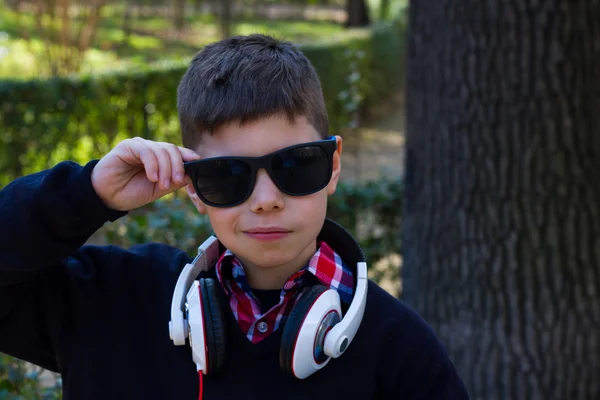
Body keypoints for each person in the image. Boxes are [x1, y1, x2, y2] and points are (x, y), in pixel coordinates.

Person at [0, 34, 469, 399]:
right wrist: (87, 193)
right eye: (227, 176)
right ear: (194, 188)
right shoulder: (110, 304)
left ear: (333, 165)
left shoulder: (400, 350)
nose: (265, 199)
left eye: (296, 164)